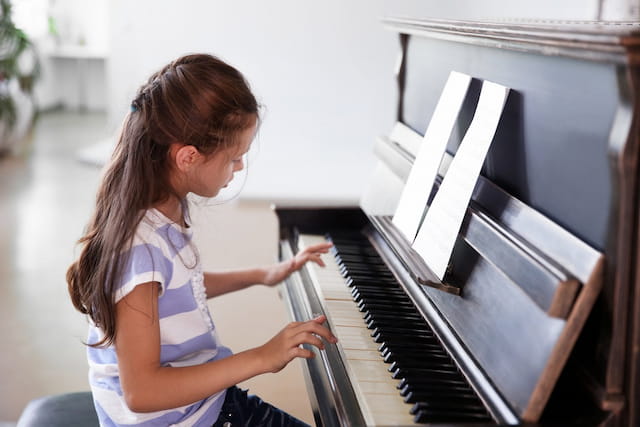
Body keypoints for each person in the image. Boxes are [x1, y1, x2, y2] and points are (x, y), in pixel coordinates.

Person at [66, 53, 336, 426]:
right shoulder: (139, 250)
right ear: (188, 157)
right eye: (234, 158)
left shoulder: (160, 212)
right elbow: (142, 392)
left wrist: (263, 274)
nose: (238, 167)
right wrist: (261, 357)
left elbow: (179, 288)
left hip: (200, 405)